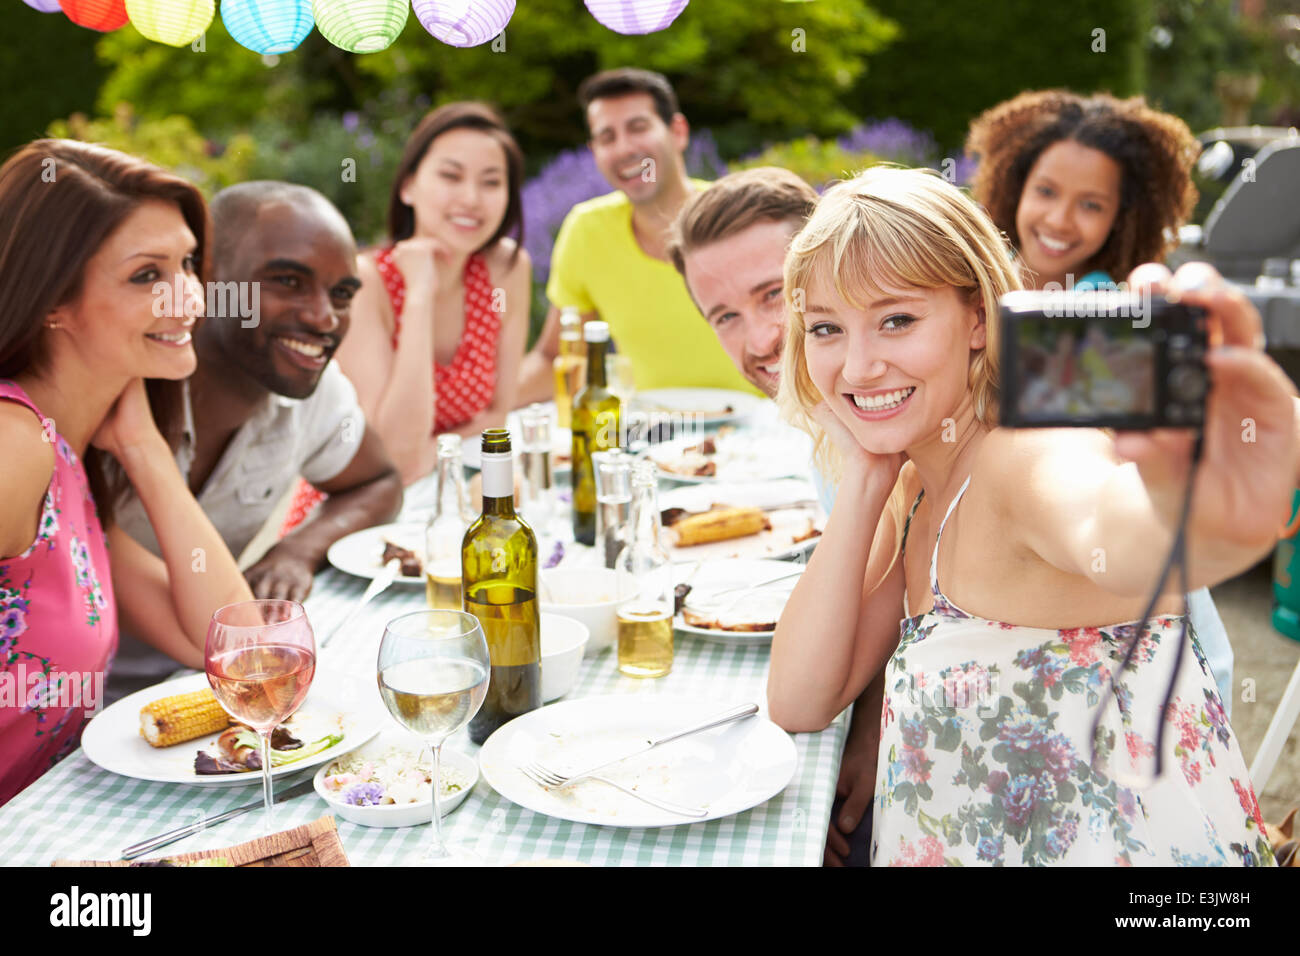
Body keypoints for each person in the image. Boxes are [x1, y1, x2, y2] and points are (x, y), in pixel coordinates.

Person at [767, 166, 1295, 865]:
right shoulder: (915, 486)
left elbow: (1114, 528)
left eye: (897, 319)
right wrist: (865, 480)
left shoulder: (1024, 455)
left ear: (978, 320)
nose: (859, 366)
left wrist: (1211, 506)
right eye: (826, 329)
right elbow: (799, 701)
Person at [965, 90, 1244, 710]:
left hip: (1105, 545)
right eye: (1047, 191)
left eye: (1091, 204)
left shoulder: (1107, 309)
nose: (1061, 220)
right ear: (1013, 185)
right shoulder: (973, 287)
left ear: (1121, 217)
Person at [0, 140, 254, 804]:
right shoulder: (13, 446)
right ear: (52, 298)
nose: (188, 298)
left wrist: (142, 448)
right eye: (148, 275)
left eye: (188, 265)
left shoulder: (64, 460)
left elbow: (241, 653)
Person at [108, 181, 404, 702]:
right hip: (80, 708)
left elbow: (379, 480)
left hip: (212, 676)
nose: (323, 318)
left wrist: (299, 549)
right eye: (288, 281)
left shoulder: (314, 389)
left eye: (341, 294)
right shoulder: (109, 396)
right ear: (207, 278)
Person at [667, 166, 874, 865]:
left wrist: (878, 732)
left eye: (775, 297)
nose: (758, 340)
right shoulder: (826, 415)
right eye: (724, 315)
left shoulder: (886, 400)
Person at [515, 68, 758, 405]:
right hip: (654, 439)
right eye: (607, 137)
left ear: (678, 131)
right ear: (594, 151)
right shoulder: (587, 231)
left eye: (638, 127)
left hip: (761, 433)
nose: (624, 148)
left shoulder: (743, 220)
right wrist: (466, 413)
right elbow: (554, 357)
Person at [335, 102, 531, 486]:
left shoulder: (505, 270)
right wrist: (419, 293)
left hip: (454, 486)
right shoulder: (366, 283)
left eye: (491, 182)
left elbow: (498, 414)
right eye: (451, 176)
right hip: (362, 503)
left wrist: (433, 450)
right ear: (408, 186)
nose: (472, 199)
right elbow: (392, 453)